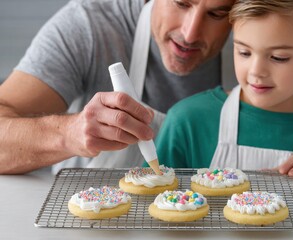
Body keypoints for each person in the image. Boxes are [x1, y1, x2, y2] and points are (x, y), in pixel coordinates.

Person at [0, 0, 237, 174]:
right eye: (181, 3)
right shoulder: (88, 27)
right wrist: (70, 133)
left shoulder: (260, 47)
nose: (190, 33)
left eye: (216, 14)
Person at [153, 0, 293, 178]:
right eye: (244, 52)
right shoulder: (187, 123)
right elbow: (146, 207)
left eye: (278, 57)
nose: (256, 72)